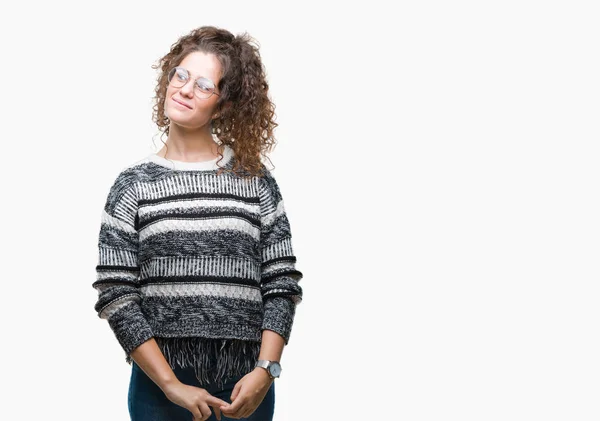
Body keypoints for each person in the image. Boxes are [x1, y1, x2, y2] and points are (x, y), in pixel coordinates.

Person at [93, 25, 303, 421]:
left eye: (205, 85)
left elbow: (281, 283)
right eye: (181, 75)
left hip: (245, 388)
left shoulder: (255, 181)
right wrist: (171, 384)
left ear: (224, 104)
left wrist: (266, 371)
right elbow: (116, 292)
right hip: (159, 389)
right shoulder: (132, 185)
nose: (185, 89)